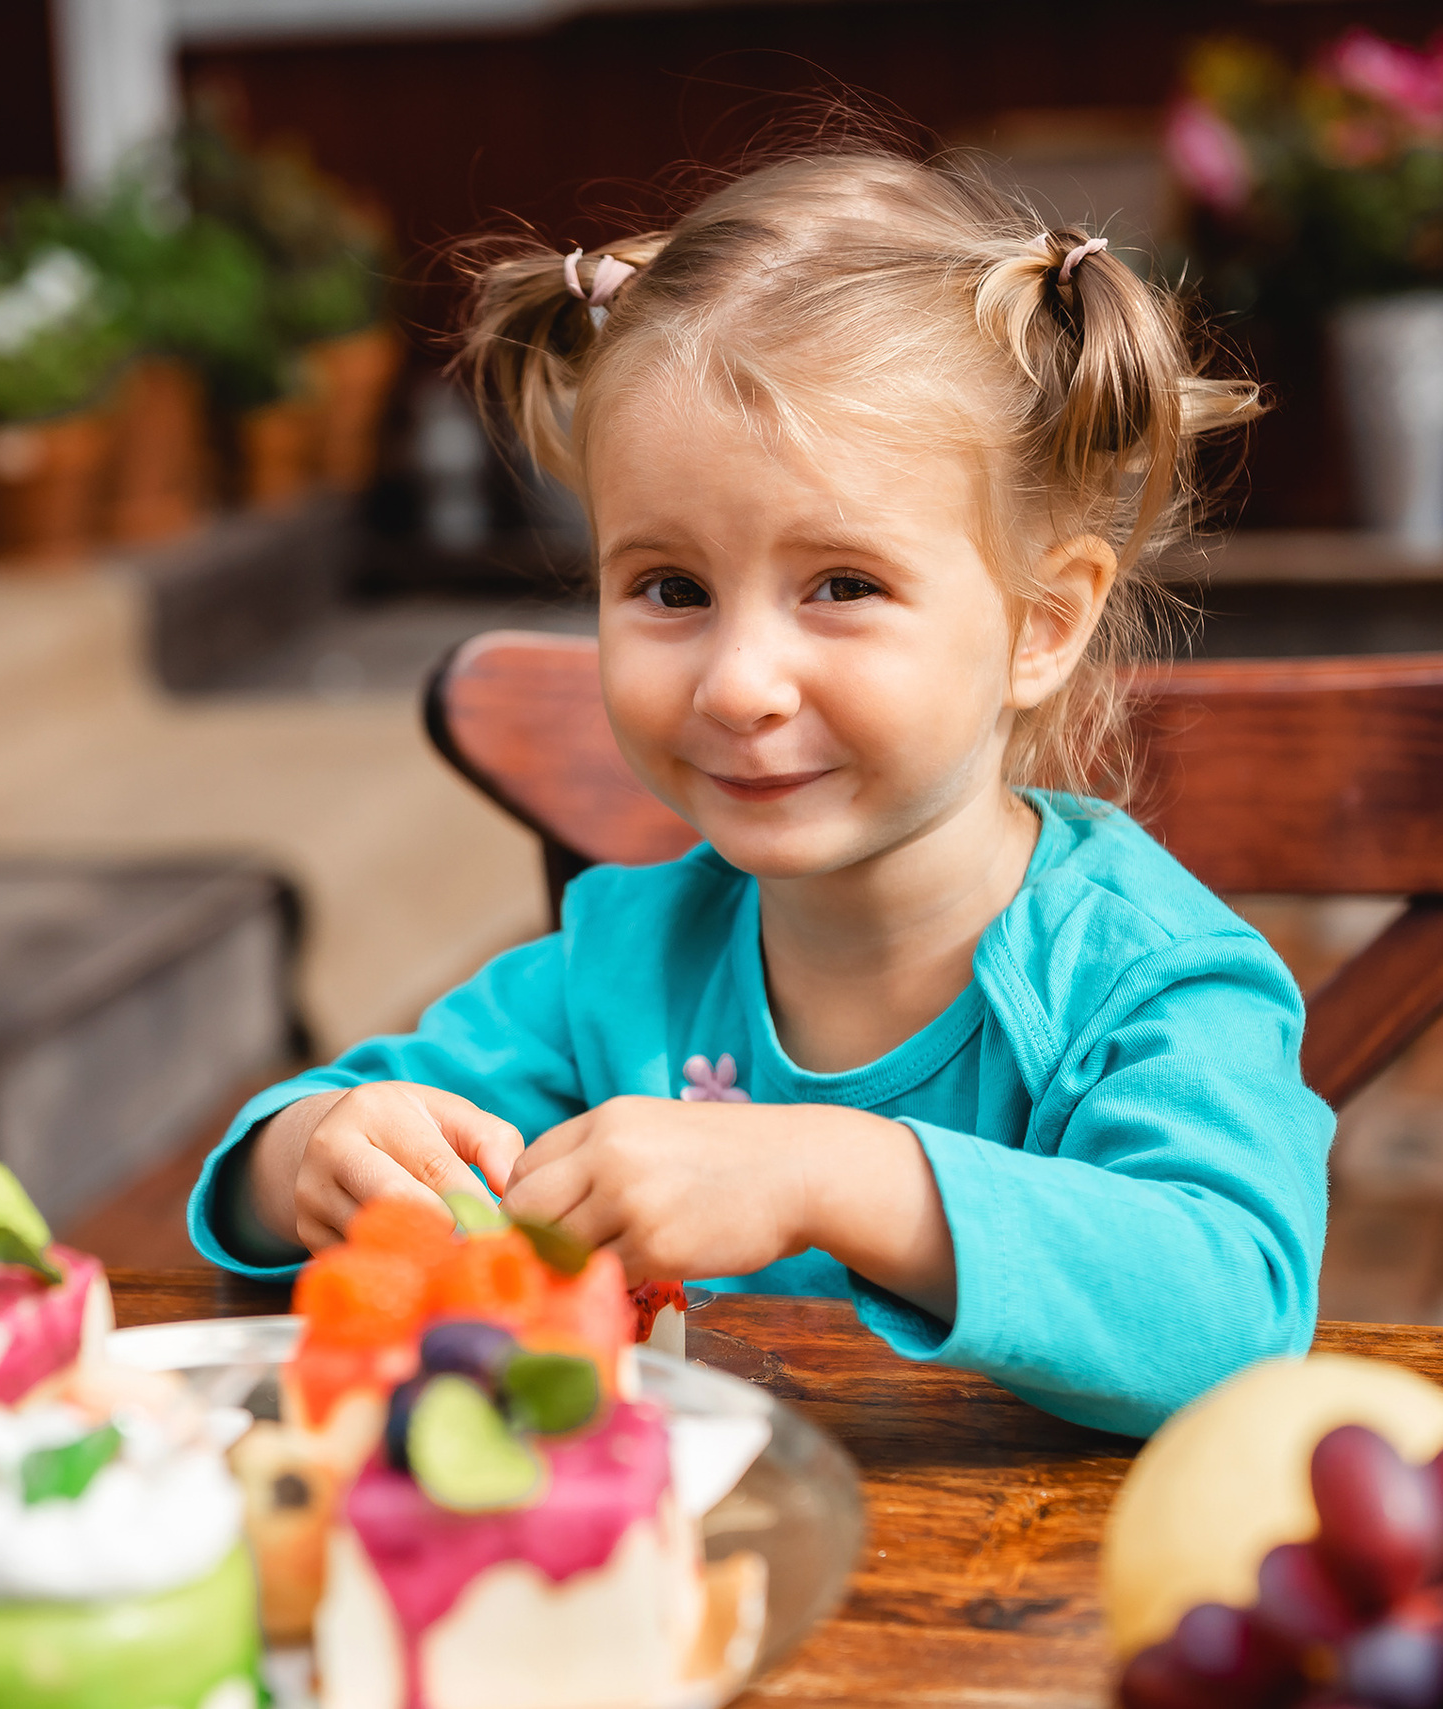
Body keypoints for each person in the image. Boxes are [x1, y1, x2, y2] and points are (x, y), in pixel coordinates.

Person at [187, 143, 1332, 1436]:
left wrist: (830, 1176)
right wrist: (319, 1153)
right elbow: (279, 1167)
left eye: (842, 585)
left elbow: (1237, 1311)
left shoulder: (1141, 982)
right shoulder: (623, 966)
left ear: (1042, 623)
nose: (739, 685)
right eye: (671, 588)